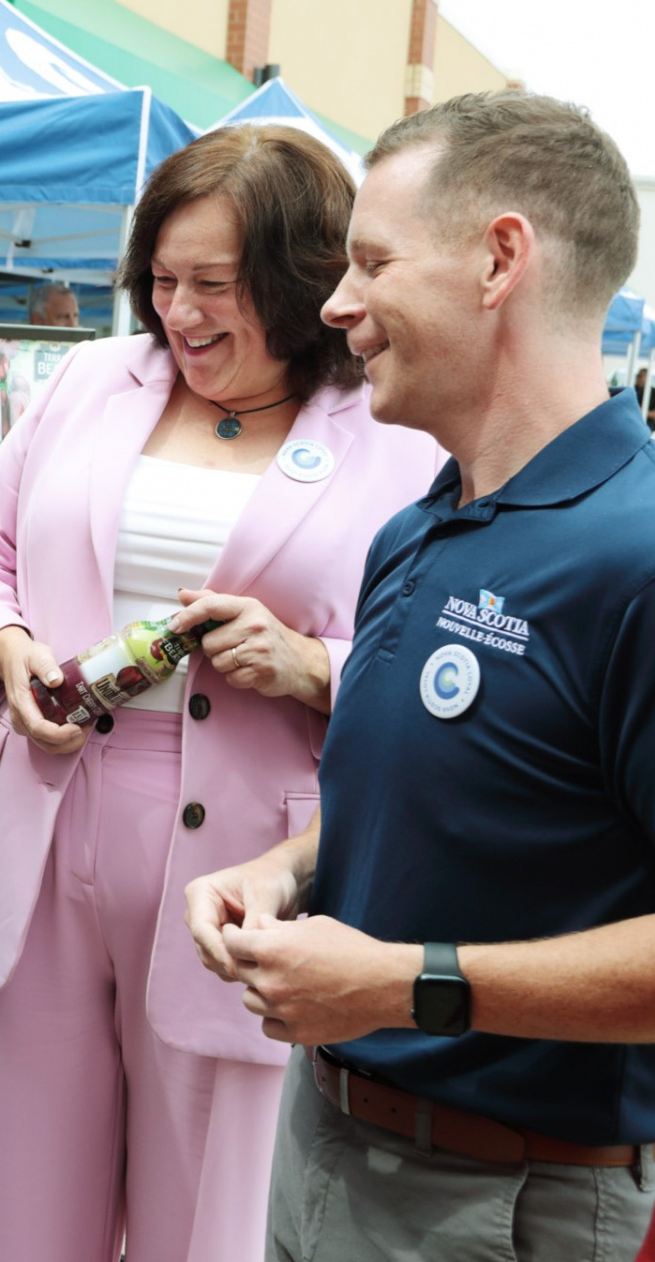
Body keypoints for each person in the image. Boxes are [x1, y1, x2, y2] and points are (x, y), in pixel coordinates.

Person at [0, 124, 443, 1262]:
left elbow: (437, 661)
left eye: (214, 285)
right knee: (23, 1198)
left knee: (209, 1204)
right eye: (160, 279)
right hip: (49, 822)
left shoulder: (394, 439)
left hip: (249, 855)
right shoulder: (88, 380)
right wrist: (5, 648)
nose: (179, 312)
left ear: (299, 284)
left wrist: (315, 667)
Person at [186, 92, 655, 1261]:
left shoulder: (636, 557)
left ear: (500, 260)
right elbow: (447, 803)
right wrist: (287, 869)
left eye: (371, 262)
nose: (336, 304)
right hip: (325, 1146)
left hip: (503, 1199)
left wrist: (406, 986)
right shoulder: (417, 524)